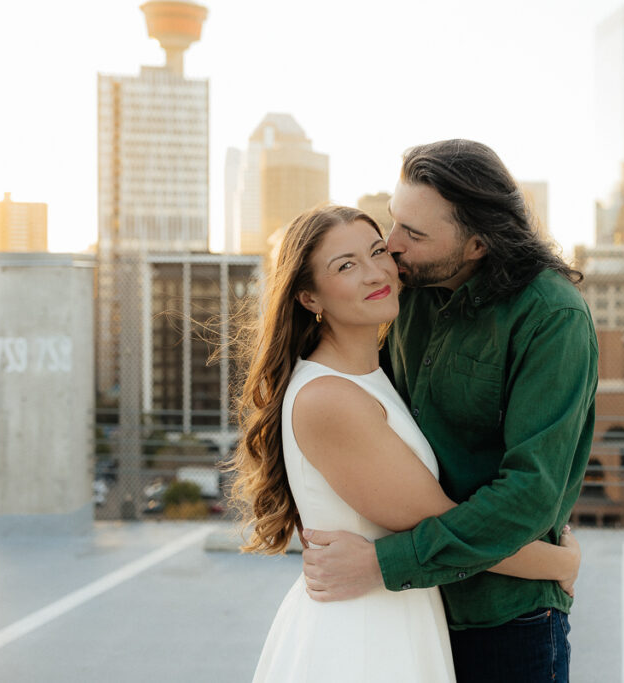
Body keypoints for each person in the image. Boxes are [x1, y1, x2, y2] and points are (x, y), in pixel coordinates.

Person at [227, 205, 582, 682]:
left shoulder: (374, 375)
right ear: (309, 297)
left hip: (397, 622)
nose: (375, 273)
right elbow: (445, 523)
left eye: (378, 252)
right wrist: (559, 562)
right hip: (364, 639)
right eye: (346, 265)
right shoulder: (329, 398)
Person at [300, 140, 599, 682]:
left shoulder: (552, 318)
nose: (392, 246)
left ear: (478, 243)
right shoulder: (405, 291)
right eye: (394, 221)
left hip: (505, 618)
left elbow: (529, 496)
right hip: (410, 613)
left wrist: (384, 563)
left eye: (413, 234)